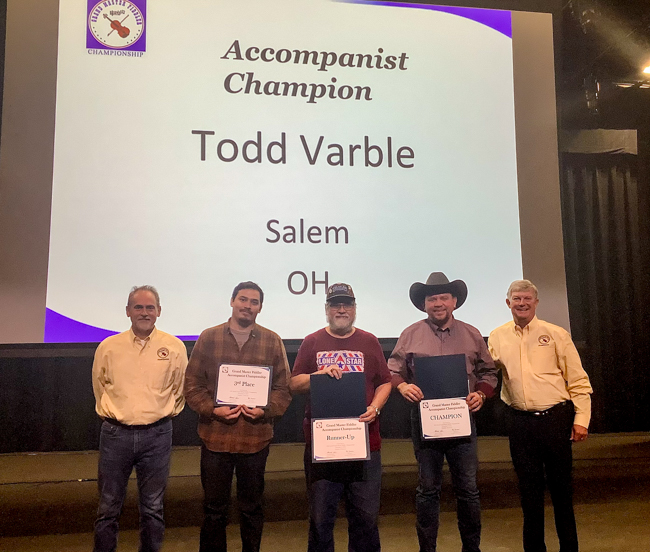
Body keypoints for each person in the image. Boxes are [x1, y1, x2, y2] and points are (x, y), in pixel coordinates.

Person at [388, 272, 497, 552]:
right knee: (428, 490)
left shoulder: (472, 334)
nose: (438, 303)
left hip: (463, 420)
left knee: (468, 490)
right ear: (424, 304)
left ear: (454, 301)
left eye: (443, 297)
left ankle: (471, 549)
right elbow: (392, 371)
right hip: (426, 421)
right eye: (432, 298)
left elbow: (489, 372)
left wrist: (481, 394)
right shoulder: (410, 334)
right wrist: (402, 387)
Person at [184, 281, 291, 552]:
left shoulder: (272, 340)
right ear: (232, 301)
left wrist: (266, 409)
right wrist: (212, 409)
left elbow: (283, 389)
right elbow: (192, 385)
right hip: (215, 438)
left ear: (260, 308)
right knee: (213, 509)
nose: (247, 306)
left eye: (254, 302)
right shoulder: (209, 337)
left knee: (252, 508)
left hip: (255, 440)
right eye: (243, 299)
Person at [488, 279, 592, 552]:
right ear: (508, 303)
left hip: (555, 420)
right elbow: (485, 372)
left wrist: (581, 420)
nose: (522, 303)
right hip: (520, 423)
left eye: (527, 299)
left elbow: (578, 381)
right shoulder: (497, 336)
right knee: (528, 494)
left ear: (536, 302)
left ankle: (569, 548)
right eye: (516, 299)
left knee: (562, 492)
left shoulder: (556, 334)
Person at [290, 283, 392, 552]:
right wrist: (317, 376)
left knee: (366, 520)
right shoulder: (312, 342)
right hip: (324, 448)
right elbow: (294, 383)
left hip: (365, 445)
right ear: (327, 309)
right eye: (336, 304)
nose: (342, 309)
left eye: (347, 304)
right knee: (321, 521)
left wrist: (375, 407)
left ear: (355, 309)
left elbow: (385, 381)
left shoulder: (369, 341)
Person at [92, 285, 188, 552]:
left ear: (159, 311)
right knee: (108, 507)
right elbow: (99, 387)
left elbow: (179, 389)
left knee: (153, 508)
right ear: (127, 311)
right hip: (115, 435)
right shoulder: (108, 346)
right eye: (138, 307)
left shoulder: (174, 347)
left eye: (149, 307)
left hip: (157, 435)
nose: (144, 312)